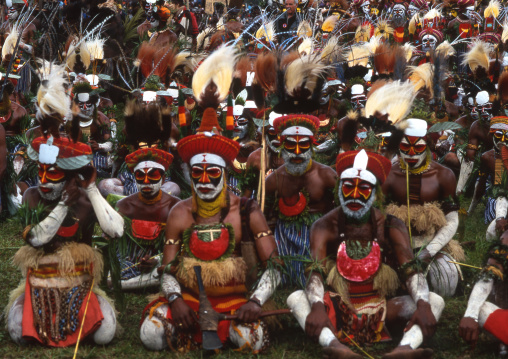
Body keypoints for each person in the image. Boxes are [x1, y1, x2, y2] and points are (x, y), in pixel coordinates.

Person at [288, 149, 444, 359]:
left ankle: (404, 349)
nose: (354, 196)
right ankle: (337, 347)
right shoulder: (324, 225)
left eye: (363, 189)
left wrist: (423, 305)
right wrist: (317, 307)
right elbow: (315, 271)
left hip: (385, 310)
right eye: (348, 187)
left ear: (375, 193)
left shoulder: (391, 225)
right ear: (339, 190)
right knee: (296, 298)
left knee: (434, 301)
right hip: (338, 309)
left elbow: (411, 271)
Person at [139, 132, 281, 352]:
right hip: (189, 300)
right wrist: (176, 300)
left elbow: (274, 266)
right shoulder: (180, 212)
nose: (204, 181)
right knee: (151, 336)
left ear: (224, 174)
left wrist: (255, 301)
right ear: (191, 175)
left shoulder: (246, 209)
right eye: (197, 173)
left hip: (236, 302)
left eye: (213, 172)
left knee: (256, 340)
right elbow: (167, 268)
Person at [383, 119, 464, 297]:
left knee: (446, 284)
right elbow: (378, 216)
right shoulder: (388, 174)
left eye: (417, 148)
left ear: (427, 146)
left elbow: (452, 219)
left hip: (431, 242)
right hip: (396, 245)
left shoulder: (444, 175)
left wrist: (430, 250)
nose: (411, 153)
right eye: (405, 147)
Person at [265, 114, 337, 286]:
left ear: (312, 147)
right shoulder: (274, 179)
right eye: (291, 146)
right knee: (283, 280)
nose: (297, 152)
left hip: (317, 233)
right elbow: (264, 215)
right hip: (284, 235)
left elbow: (342, 210)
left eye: (303, 146)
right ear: (282, 147)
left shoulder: (326, 175)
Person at [115, 148, 180, 290]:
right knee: (111, 276)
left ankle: (146, 279)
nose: (146, 182)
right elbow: (114, 241)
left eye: (153, 176)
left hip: (164, 256)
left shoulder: (175, 206)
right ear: (134, 177)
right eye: (140, 176)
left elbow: (180, 243)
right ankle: (142, 281)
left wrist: (157, 260)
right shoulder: (125, 205)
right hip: (130, 259)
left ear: (163, 179)